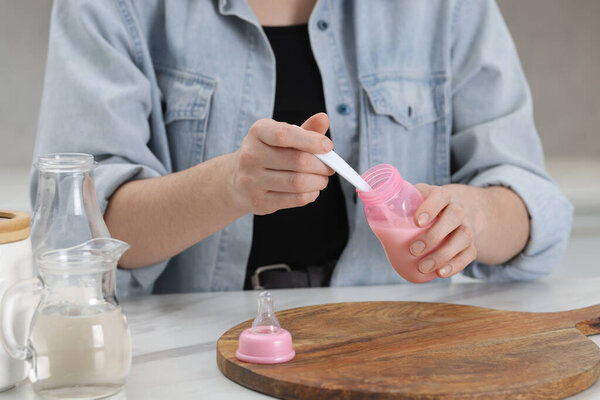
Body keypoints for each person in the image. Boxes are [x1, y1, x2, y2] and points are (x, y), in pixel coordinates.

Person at [32, 0, 573, 296]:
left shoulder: (444, 8)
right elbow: (77, 228)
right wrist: (230, 186)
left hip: (397, 344)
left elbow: (530, 202)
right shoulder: (110, 7)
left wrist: (473, 217)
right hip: (196, 359)